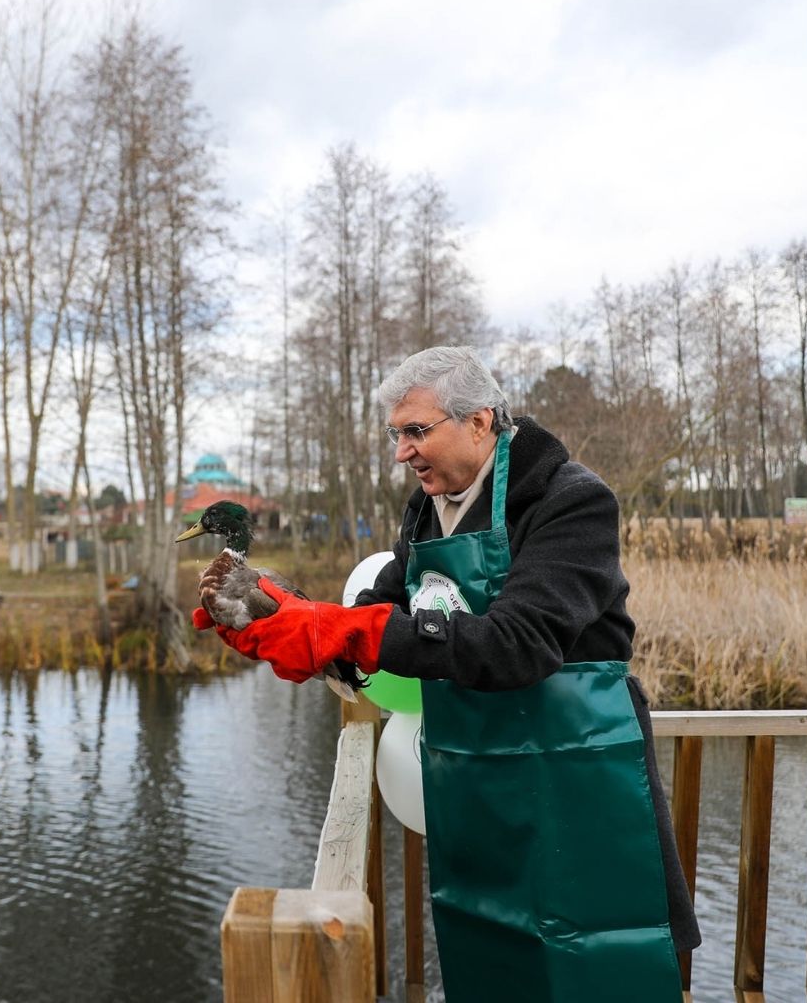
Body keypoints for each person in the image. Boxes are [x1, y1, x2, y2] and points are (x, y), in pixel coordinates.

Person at [198, 345, 699, 1002]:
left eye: (416, 431)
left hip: (579, 785)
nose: (402, 452)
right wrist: (278, 618)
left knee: (599, 966)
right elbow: (377, 617)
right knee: (492, 959)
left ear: (480, 422)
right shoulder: (425, 511)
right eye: (395, 435)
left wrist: (354, 631)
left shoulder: (570, 501)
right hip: (481, 785)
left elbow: (518, 645)